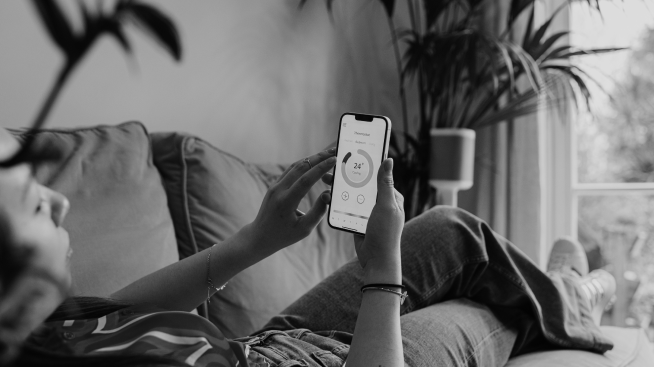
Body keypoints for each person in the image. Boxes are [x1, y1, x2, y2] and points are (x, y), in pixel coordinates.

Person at [0, 127, 616, 367]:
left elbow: (123, 309)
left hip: (267, 345)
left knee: (452, 229)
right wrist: (382, 275)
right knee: (492, 308)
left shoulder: (48, 334)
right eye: (34, 204)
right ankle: (577, 292)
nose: (59, 202)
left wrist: (256, 240)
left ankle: (568, 290)